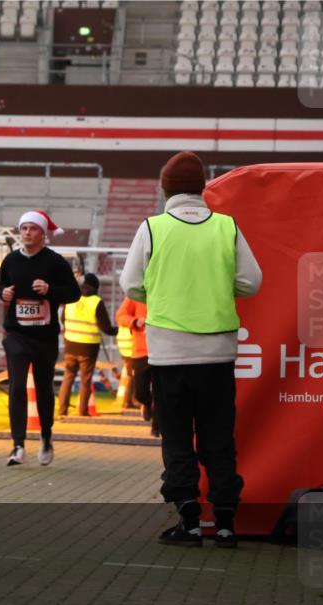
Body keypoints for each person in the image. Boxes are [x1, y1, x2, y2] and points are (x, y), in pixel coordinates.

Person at [120, 151, 262, 548]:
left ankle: (189, 520)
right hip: (218, 354)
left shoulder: (152, 228)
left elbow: (131, 285)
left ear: (165, 188)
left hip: (169, 355)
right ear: (202, 188)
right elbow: (252, 282)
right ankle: (227, 523)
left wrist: (162, 292)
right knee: (219, 438)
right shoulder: (226, 227)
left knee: (178, 439)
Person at [0, 211, 80, 467]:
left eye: (32, 229)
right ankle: (18, 445)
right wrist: (5, 293)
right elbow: (1, 285)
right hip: (16, 334)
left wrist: (50, 290)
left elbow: (74, 293)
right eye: (23, 228)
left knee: (44, 388)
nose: (27, 233)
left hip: (44, 337)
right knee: (17, 385)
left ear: (43, 233)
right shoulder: (10, 261)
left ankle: (46, 436)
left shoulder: (55, 262)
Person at [57, 273, 118, 417]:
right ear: (95, 287)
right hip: (88, 347)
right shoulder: (96, 302)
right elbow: (106, 327)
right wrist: (118, 330)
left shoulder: (71, 297)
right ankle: (82, 411)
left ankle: (62, 410)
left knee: (68, 377)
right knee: (86, 379)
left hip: (70, 344)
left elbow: (63, 318)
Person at [115, 297, 159, 436]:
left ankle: (156, 427)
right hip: (140, 352)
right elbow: (120, 315)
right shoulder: (136, 295)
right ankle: (147, 402)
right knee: (140, 393)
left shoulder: (166, 292)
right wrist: (135, 321)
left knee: (160, 392)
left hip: (161, 352)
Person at [115, 322, 137, 409]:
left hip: (124, 352)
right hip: (132, 352)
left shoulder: (122, 325)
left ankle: (129, 401)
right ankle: (127, 402)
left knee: (131, 377)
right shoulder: (132, 324)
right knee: (132, 378)